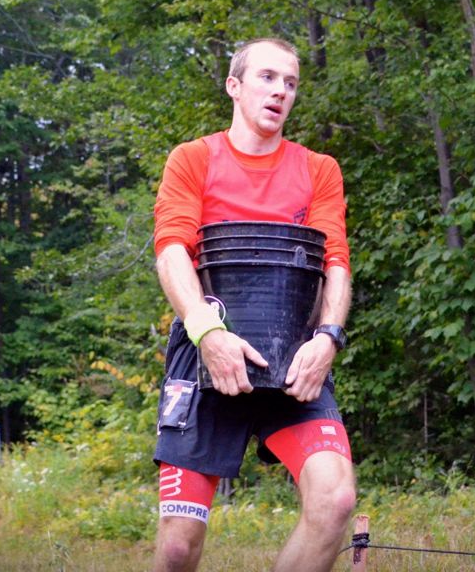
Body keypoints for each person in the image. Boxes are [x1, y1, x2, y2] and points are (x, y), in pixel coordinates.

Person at [151, 38, 356, 572]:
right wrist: (208, 333)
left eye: (290, 83)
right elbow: (171, 251)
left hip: (292, 355)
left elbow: (335, 261)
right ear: (234, 86)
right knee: (177, 549)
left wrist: (328, 339)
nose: (280, 91)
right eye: (267, 77)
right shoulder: (193, 159)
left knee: (335, 502)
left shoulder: (318, 169)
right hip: (205, 353)